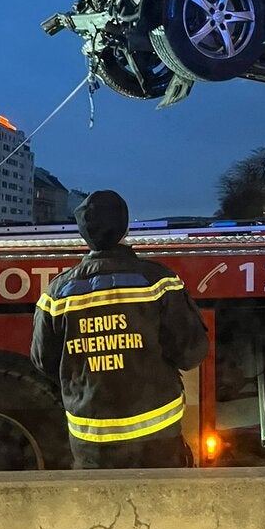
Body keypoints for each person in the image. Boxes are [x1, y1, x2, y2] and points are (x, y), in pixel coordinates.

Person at [31, 188, 209, 468]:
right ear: (125, 228)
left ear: (83, 234)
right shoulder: (159, 282)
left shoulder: (57, 293)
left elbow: (44, 361)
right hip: (157, 442)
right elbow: (191, 352)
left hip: (91, 446)